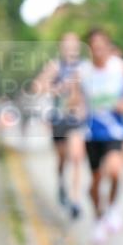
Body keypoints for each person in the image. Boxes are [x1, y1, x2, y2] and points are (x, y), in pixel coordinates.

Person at [78, 28, 123, 244]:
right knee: (94, 184)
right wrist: (77, 108)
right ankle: (99, 219)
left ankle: (112, 208)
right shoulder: (83, 72)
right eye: (94, 47)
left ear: (108, 47)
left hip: (115, 131)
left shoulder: (119, 67)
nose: (98, 51)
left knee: (114, 170)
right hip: (92, 133)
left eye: (101, 47)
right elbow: (76, 99)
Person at [33, 32, 87, 220]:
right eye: (67, 45)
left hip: (76, 119)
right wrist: (56, 89)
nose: (71, 48)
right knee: (63, 158)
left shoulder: (84, 67)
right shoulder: (55, 66)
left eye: (74, 45)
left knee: (76, 156)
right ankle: (61, 183)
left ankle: (75, 199)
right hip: (58, 119)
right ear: (61, 47)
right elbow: (37, 86)